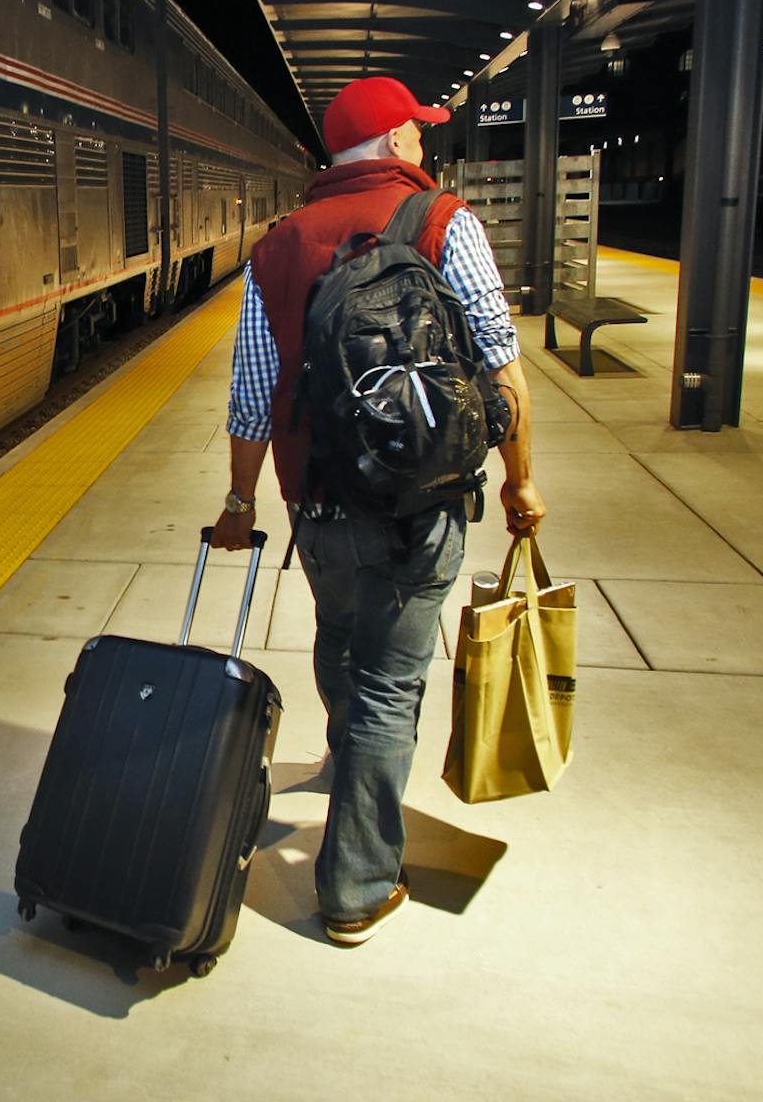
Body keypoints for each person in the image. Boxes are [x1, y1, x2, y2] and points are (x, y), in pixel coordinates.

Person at [207, 76, 545, 946]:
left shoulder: (278, 246)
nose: (425, 145)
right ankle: (356, 885)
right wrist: (520, 480)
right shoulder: (444, 223)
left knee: (343, 635)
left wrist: (242, 500)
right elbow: (502, 366)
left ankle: (343, 758)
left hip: (317, 500)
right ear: (394, 142)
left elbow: (251, 398)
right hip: (420, 500)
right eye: (417, 131)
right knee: (393, 681)